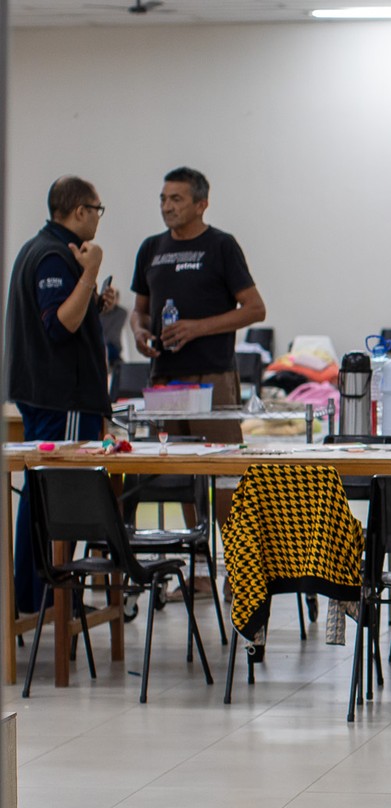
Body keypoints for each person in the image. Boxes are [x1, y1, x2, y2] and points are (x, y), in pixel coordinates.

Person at [6, 176, 118, 614]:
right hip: (62, 396)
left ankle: (39, 597)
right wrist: (90, 272)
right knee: (60, 500)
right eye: (97, 209)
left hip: (48, 392)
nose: (97, 218)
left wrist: (94, 300)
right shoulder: (55, 255)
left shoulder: (40, 248)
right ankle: (49, 600)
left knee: (41, 496)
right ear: (78, 212)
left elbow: (66, 315)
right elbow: (58, 325)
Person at [132, 166, 266, 446]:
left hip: (211, 376)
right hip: (164, 377)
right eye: (163, 199)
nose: (167, 207)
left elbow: (255, 308)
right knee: (169, 471)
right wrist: (139, 332)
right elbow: (139, 311)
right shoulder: (150, 248)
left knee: (221, 467)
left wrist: (197, 328)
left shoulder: (221, 246)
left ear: (201, 205)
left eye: (176, 199)